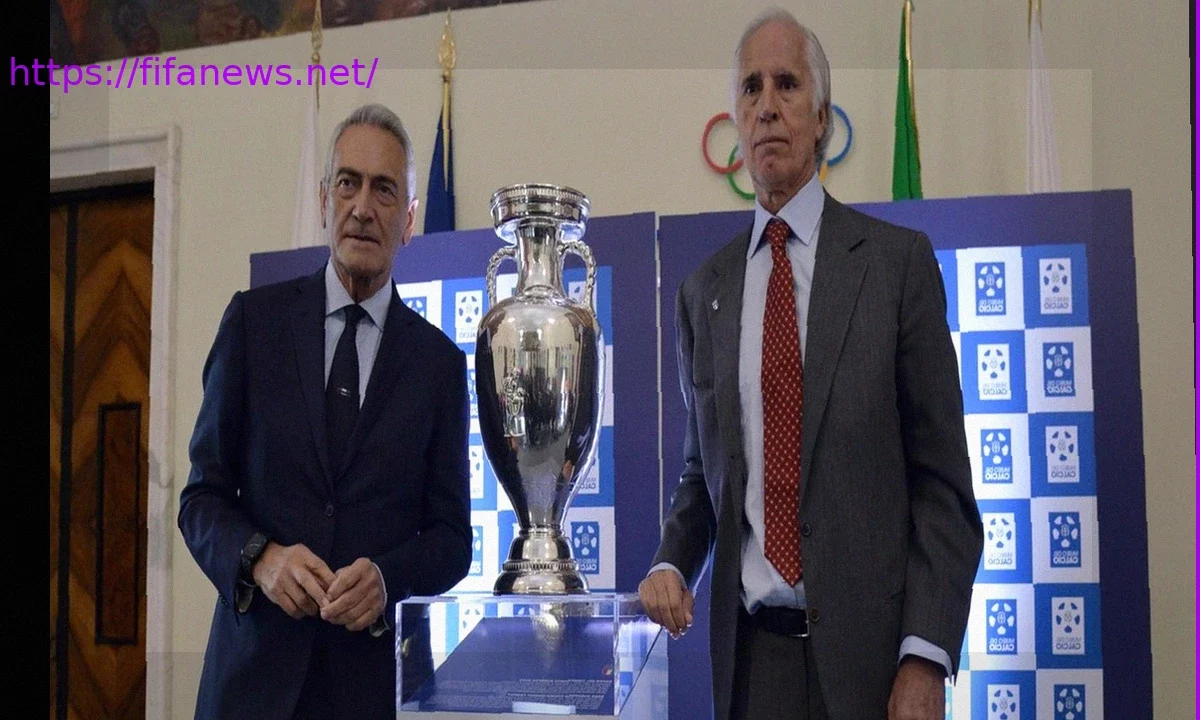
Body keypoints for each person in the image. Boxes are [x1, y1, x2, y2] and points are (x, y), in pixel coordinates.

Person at [639, 10, 982, 720]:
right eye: (751, 88)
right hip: (751, 670)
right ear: (736, 120)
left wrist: (925, 657)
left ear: (822, 116)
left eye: (787, 84)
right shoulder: (704, 292)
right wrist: (671, 560)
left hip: (878, 670)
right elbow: (705, 474)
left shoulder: (896, 267)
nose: (767, 105)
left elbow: (942, 487)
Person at [178, 103, 472, 720]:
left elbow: (451, 540)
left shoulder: (440, 365)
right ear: (323, 201)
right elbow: (200, 500)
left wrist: (387, 579)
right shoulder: (252, 325)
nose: (362, 207)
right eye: (347, 183)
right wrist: (260, 559)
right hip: (250, 689)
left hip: (371, 689)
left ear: (409, 220)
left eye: (384, 190)